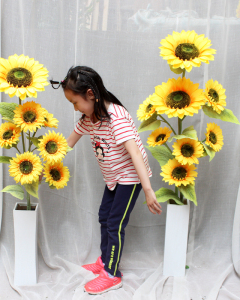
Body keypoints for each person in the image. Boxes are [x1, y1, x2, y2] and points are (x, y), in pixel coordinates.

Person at [50, 66, 162, 295]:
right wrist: (47, 164)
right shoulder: (90, 117)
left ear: (90, 94)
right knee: (104, 217)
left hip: (130, 177)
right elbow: (67, 143)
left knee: (115, 223)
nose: (75, 108)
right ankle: (104, 261)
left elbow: (135, 154)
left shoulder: (116, 117)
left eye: (75, 103)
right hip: (113, 177)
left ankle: (112, 274)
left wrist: (149, 190)